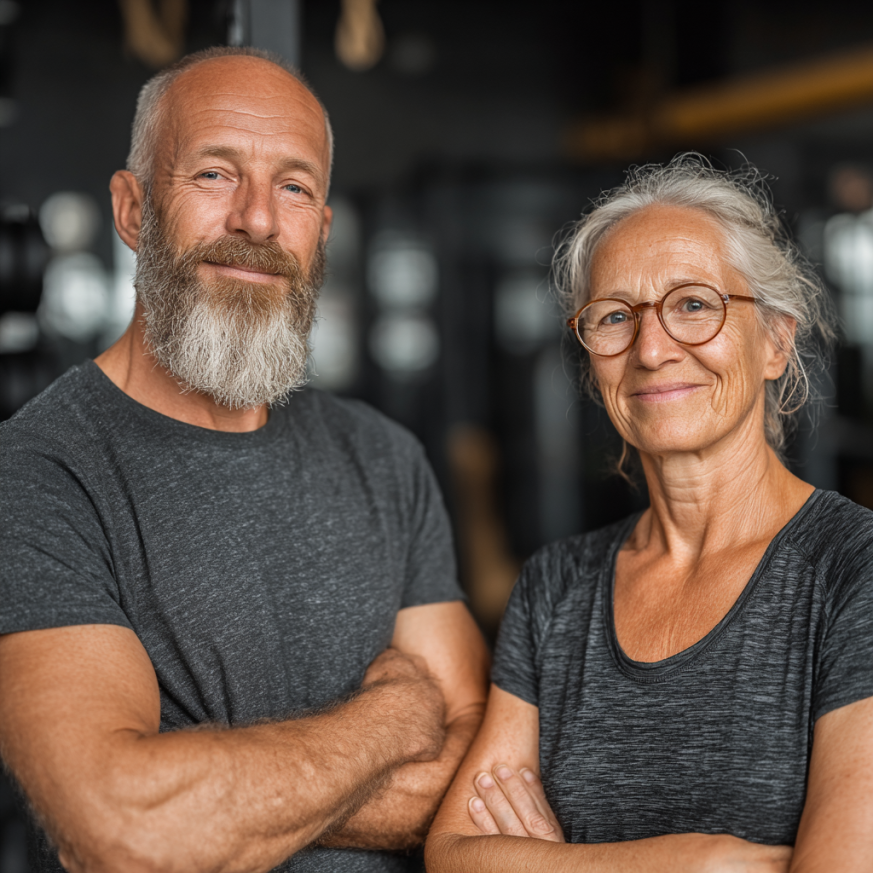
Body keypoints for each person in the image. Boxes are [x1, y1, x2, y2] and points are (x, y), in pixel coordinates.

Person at [0, 47, 488, 873]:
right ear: (132, 209)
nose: (258, 221)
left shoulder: (382, 458)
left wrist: (216, 793)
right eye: (215, 175)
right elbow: (125, 830)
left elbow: (481, 775)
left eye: (293, 187)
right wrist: (392, 719)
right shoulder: (39, 475)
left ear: (322, 234)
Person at [426, 156, 873, 872]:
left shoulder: (852, 572)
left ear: (775, 340)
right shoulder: (554, 587)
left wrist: (546, 862)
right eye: (613, 317)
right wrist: (690, 862)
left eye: (693, 304)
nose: (653, 349)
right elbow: (451, 852)